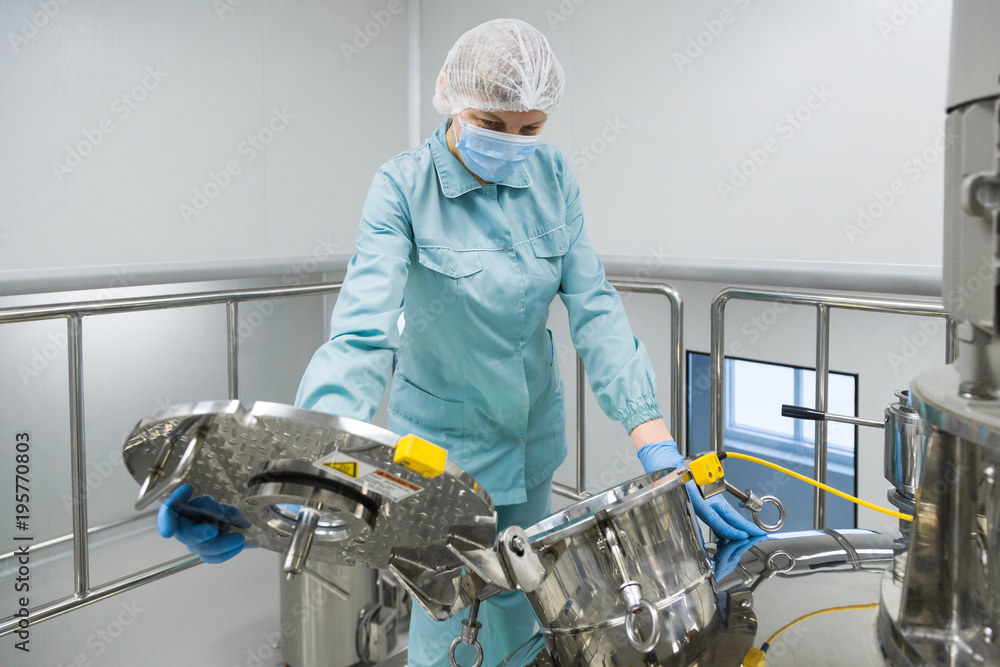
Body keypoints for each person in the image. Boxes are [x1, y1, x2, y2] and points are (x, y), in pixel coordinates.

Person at [158, 17, 763, 666]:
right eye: (491, 124)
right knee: (453, 620)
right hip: (438, 466)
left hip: (530, 444)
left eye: (530, 127)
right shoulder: (403, 188)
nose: (513, 143)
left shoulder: (553, 180)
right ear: (449, 96)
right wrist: (292, 467)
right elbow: (362, 335)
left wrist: (659, 447)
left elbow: (597, 313)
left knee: (528, 609)